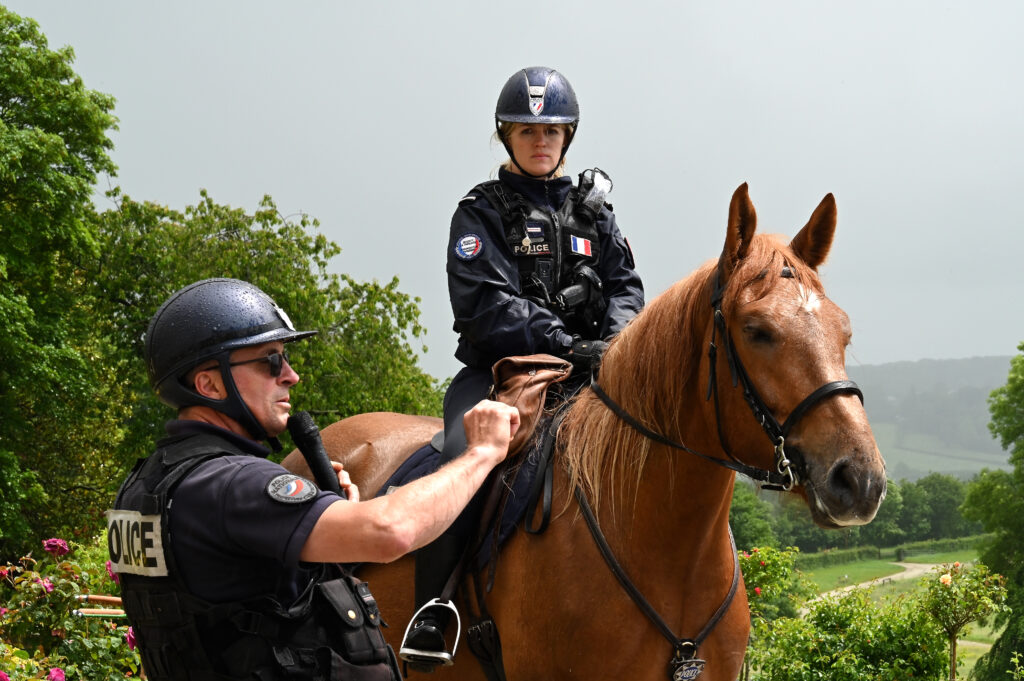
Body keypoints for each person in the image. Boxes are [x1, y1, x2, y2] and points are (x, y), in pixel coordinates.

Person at [107, 278, 520, 681]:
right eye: (270, 360)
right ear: (209, 384)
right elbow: (390, 530)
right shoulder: (231, 484)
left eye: (285, 358)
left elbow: (219, 608)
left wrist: (326, 524)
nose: (290, 375)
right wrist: (480, 453)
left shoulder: (148, 484)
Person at [399, 66, 644, 670]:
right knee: (463, 456)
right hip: (501, 374)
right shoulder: (480, 213)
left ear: (568, 136)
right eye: (528, 129)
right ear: (506, 135)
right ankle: (434, 612)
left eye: (553, 130)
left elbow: (627, 288)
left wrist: (612, 345)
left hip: (595, 374)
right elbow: (486, 304)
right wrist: (563, 341)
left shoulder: (597, 213)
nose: (541, 141)